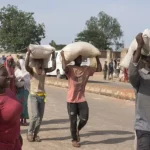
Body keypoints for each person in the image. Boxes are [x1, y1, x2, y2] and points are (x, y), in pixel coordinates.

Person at [61, 51, 101, 148]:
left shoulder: (86, 69)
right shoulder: (70, 68)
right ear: (74, 59)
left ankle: (77, 130)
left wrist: (96, 57)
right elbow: (63, 68)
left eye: (81, 58)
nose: (79, 59)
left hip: (81, 98)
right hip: (71, 100)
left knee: (84, 118)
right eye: (78, 58)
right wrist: (63, 57)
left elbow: (99, 69)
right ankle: (74, 139)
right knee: (73, 121)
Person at [25, 48, 56, 142]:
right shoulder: (31, 70)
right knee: (35, 116)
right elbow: (26, 66)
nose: (40, 63)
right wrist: (28, 54)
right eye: (38, 61)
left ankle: (35, 134)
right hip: (33, 95)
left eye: (41, 61)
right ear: (34, 61)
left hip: (42, 96)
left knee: (40, 118)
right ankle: (29, 133)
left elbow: (53, 68)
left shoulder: (44, 70)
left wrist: (53, 56)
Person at [128, 33, 150, 150]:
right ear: (145, 59)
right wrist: (140, 47)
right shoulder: (140, 77)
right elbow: (131, 72)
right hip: (145, 128)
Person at [0, 64, 23, 150]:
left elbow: (15, 118)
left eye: (7, 75)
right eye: (3, 75)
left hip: (15, 142)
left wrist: (18, 135)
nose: (8, 77)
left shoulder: (9, 91)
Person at [15, 61, 30, 126]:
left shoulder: (26, 72)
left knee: (24, 105)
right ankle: (19, 120)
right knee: (18, 105)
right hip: (18, 90)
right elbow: (14, 80)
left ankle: (24, 120)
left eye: (19, 64)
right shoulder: (16, 71)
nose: (18, 65)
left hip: (25, 90)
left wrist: (23, 80)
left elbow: (29, 81)